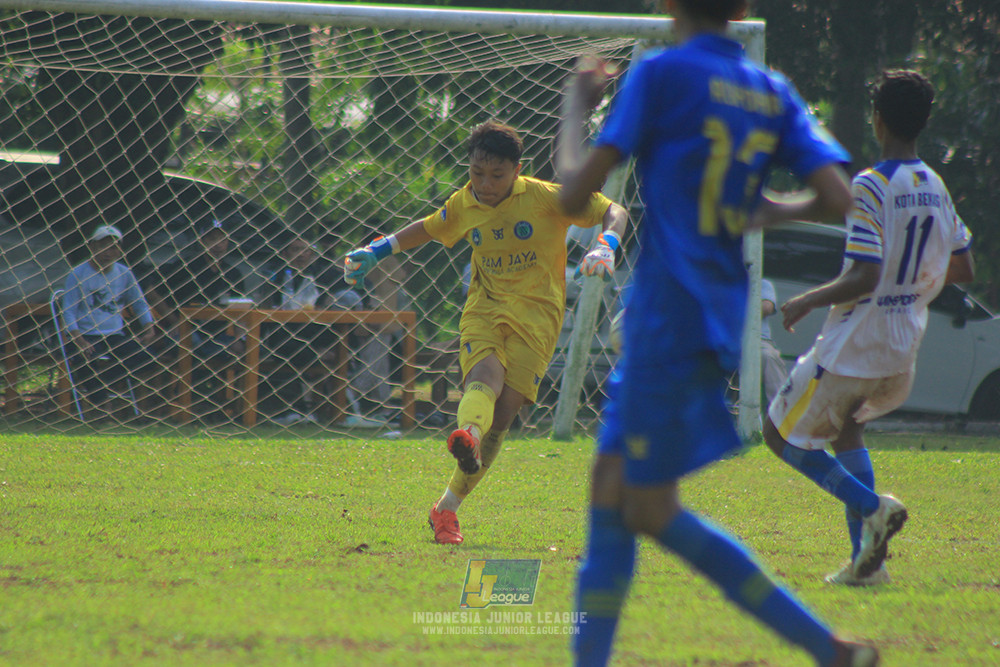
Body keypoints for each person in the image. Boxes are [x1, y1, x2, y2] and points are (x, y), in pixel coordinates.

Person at [560, 1, 877, 665]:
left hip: (668, 317)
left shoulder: (662, 73)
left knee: (647, 507)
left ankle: (829, 649)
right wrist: (753, 210)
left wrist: (578, 103)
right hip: (715, 315)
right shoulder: (769, 88)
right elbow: (838, 197)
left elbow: (571, 195)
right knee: (610, 493)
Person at [344, 119, 628, 545]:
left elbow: (614, 210)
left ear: (517, 170)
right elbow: (428, 226)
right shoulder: (465, 203)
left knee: (505, 414)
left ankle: (446, 505)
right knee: (485, 379)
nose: (485, 183)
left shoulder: (546, 198)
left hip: (538, 318)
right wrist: (378, 249)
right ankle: (467, 439)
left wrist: (606, 242)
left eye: (496, 175)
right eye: (477, 173)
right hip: (485, 309)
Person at [763, 70, 974, 587]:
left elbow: (865, 274)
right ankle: (865, 565)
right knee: (848, 428)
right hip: (903, 346)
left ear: (877, 120)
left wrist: (807, 300)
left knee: (776, 432)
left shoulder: (872, 185)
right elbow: (963, 268)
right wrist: (913, 284)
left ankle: (869, 506)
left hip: (856, 341)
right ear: (923, 122)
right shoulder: (935, 185)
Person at [145, 219, 248, 418]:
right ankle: (192, 400)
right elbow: (151, 291)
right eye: (212, 239)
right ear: (201, 241)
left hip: (216, 333)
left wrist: (240, 336)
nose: (218, 244)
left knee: (244, 349)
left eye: (222, 239)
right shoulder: (185, 267)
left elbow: (240, 309)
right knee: (193, 344)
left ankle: (236, 407)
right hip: (183, 331)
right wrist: (174, 319)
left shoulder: (233, 272)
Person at [257, 235, 361, 425]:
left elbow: (351, 293)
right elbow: (264, 305)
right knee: (287, 345)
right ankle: (295, 408)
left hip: (317, 332)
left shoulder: (326, 274)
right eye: (295, 250)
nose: (302, 255)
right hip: (283, 332)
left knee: (333, 340)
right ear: (284, 253)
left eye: (306, 250)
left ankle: (323, 409)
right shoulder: (276, 275)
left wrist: (331, 301)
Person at [61, 224, 160, 413]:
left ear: (120, 250)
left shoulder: (124, 274)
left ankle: (103, 384)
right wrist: (79, 339)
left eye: (114, 247)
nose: (108, 252)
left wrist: (149, 327)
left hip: (114, 335)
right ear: (92, 247)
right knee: (82, 357)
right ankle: (100, 405)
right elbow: (68, 311)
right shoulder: (78, 274)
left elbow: (139, 303)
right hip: (86, 335)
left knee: (148, 358)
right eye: (103, 246)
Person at [760, 278, 788, 404]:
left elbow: (767, 307)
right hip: (723, 340)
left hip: (757, 341)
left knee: (768, 357)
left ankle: (782, 412)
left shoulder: (761, 283)